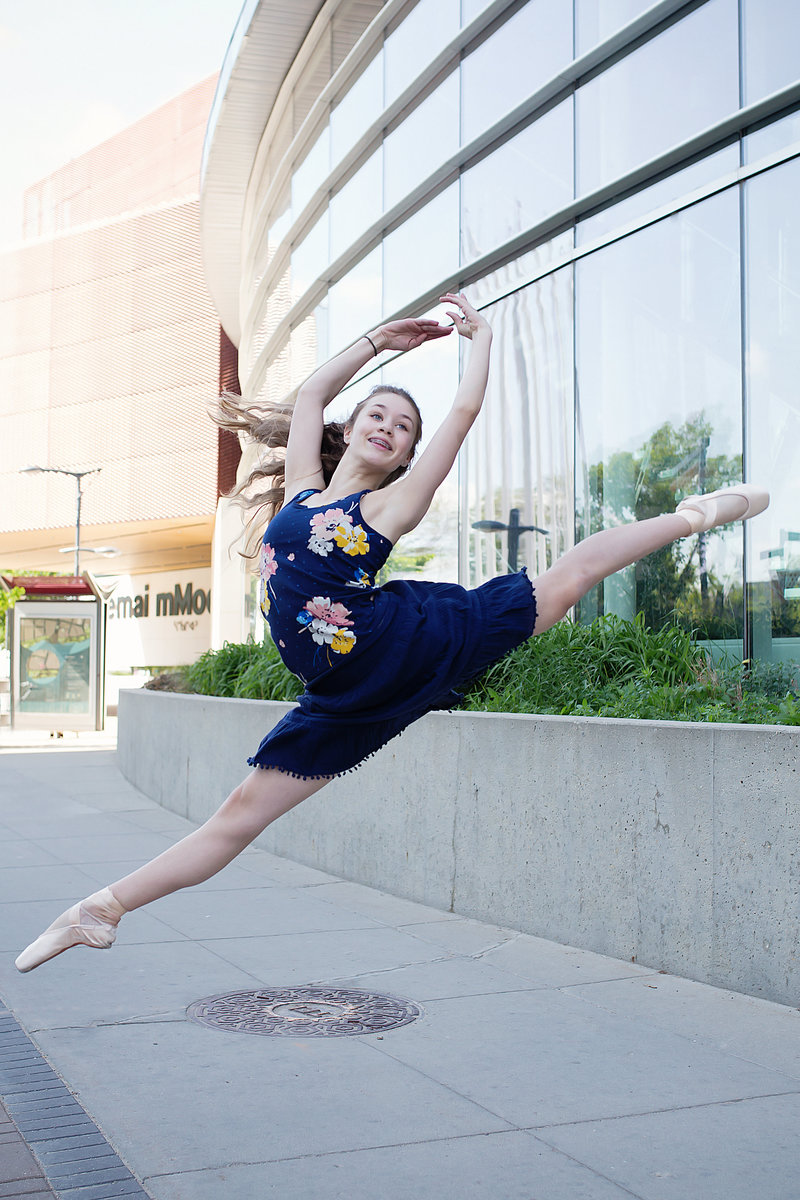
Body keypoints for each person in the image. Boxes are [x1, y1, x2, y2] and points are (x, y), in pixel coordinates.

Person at [15, 293, 769, 973]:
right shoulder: (306, 489)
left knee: (565, 581)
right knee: (240, 813)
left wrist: (478, 343)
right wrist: (380, 342)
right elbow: (311, 392)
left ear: (406, 456)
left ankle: (700, 513)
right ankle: (102, 908)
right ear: (353, 428)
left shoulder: (389, 509)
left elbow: (463, 417)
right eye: (379, 414)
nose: (390, 427)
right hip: (340, 691)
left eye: (404, 427)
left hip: (400, 643)